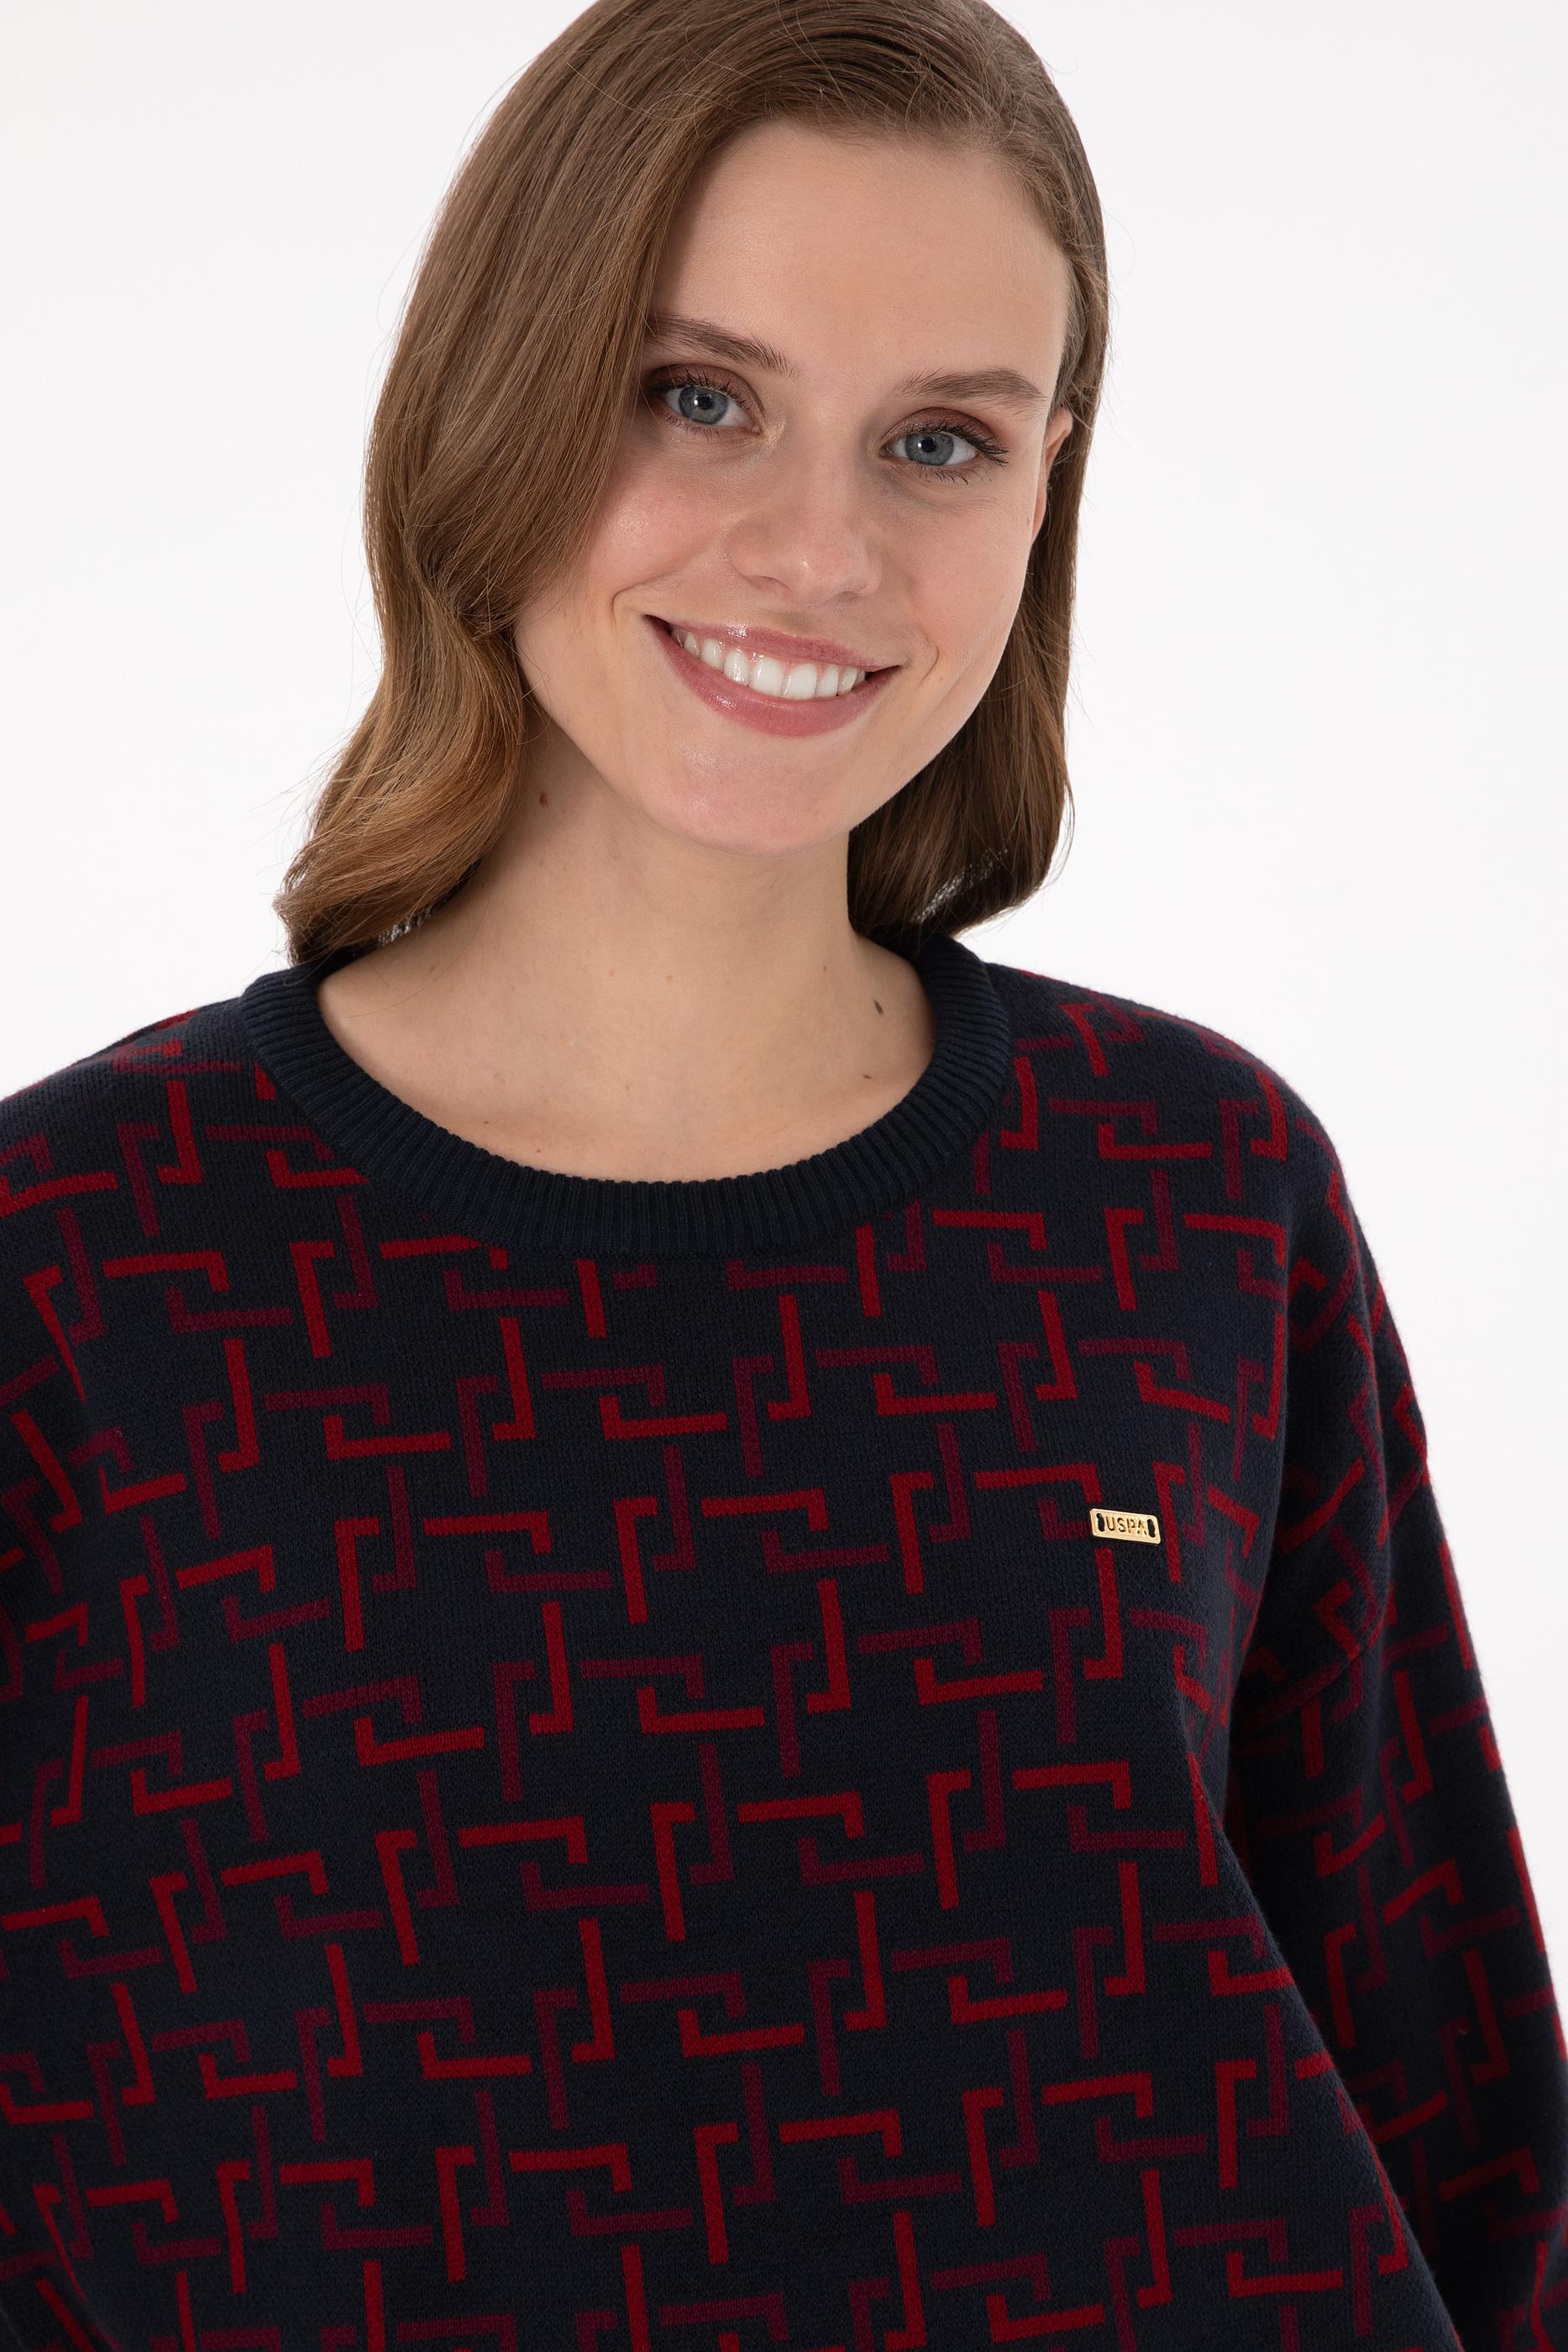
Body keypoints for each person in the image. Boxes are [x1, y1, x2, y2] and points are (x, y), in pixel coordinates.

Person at [3, 0, 1564, 2342]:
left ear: (1046, 487)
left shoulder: (1188, 1193)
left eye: (939, 440)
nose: (818, 549)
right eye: (696, 396)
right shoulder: (80, 1266)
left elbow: (1458, 2107)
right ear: (501, 397)